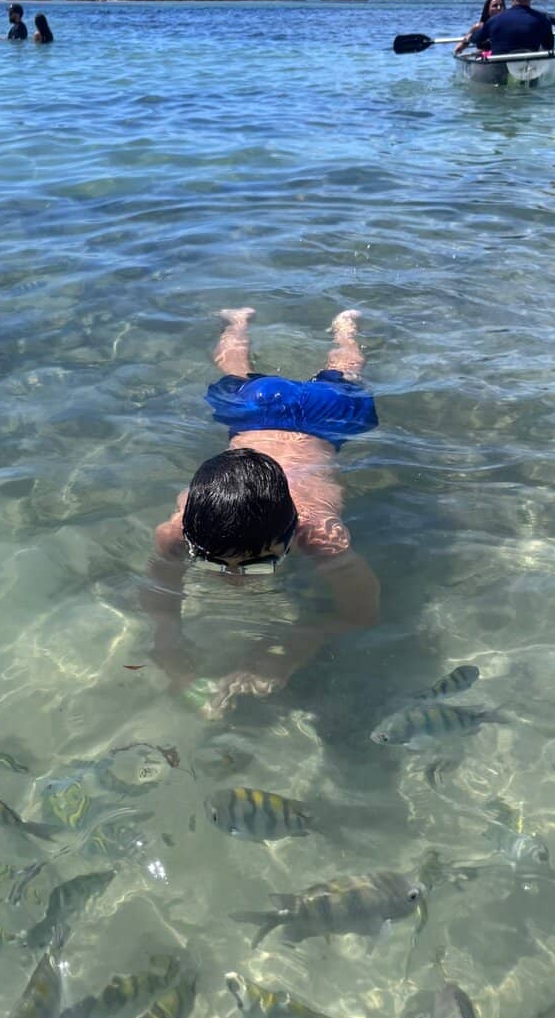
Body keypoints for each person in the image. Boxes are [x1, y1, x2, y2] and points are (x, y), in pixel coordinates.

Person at [144, 307, 380, 717]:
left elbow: (363, 612)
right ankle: (238, 322)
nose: (232, 579)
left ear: (290, 535)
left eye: (254, 567)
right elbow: (160, 608)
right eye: (212, 561)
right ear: (193, 538)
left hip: (326, 416)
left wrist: (296, 647)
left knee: (344, 376)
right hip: (254, 414)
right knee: (239, 376)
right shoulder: (178, 532)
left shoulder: (319, 535)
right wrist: (170, 652)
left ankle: (344, 330)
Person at [469, 0, 553, 55]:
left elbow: (474, 39)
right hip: (530, 67)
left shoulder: (494, 21)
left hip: (497, 67)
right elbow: (549, 46)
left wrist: (470, 34)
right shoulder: (544, 20)